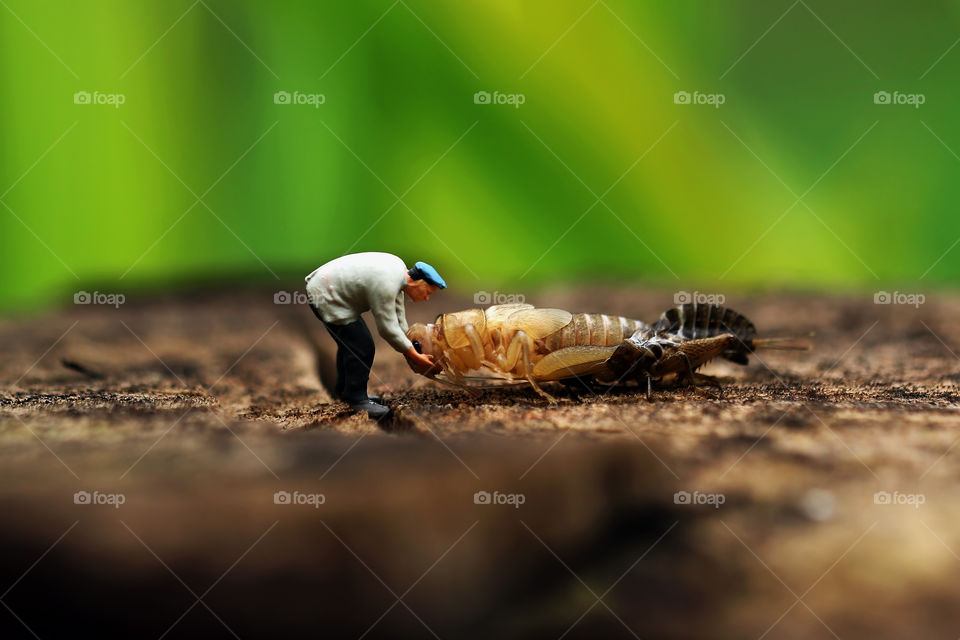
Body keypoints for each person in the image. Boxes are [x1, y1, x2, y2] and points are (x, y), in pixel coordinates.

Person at [305, 252, 445, 418]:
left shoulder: (399, 274)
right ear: (419, 282)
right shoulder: (387, 283)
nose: (427, 298)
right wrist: (414, 355)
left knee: (350, 346)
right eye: (428, 292)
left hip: (328, 290)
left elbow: (398, 317)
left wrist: (411, 347)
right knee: (362, 347)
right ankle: (356, 399)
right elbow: (387, 328)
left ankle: (345, 391)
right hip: (326, 296)